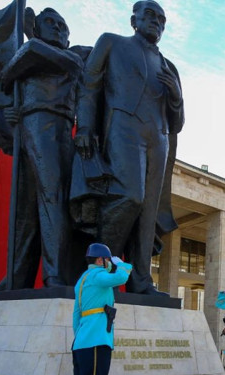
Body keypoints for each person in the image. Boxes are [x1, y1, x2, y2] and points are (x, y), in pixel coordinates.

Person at [74, 1, 184, 295]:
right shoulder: (112, 42)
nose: (156, 22)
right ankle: (97, 266)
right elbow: (89, 86)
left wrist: (176, 97)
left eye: (162, 19)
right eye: (150, 16)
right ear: (133, 19)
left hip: (158, 137)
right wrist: (84, 126)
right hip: (122, 127)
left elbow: (178, 123)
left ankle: (141, 280)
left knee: (149, 211)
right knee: (129, 196)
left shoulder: (168, 66)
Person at [0, 8, 84, 289]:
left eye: (63, 26)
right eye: (51, 23)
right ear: (35, 27)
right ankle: (15, 279)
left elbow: (19, 63)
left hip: (54, 128)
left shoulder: (71, 56)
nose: (58, 28)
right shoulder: (32, 57)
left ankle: (55, 275)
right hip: (28, 126)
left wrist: (29, 47)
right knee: (25, 212)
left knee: (52, 199)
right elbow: (7, 80)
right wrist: (13, 114)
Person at [71, 243, 131, 375]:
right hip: (96, 344)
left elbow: (76, 317)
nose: (109, 265)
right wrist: (122, 264)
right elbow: (121, 278)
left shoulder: (82, 280)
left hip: (82, 343)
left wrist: (83, 335)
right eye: (108, 261)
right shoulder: (97, 276)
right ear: (100, 260)